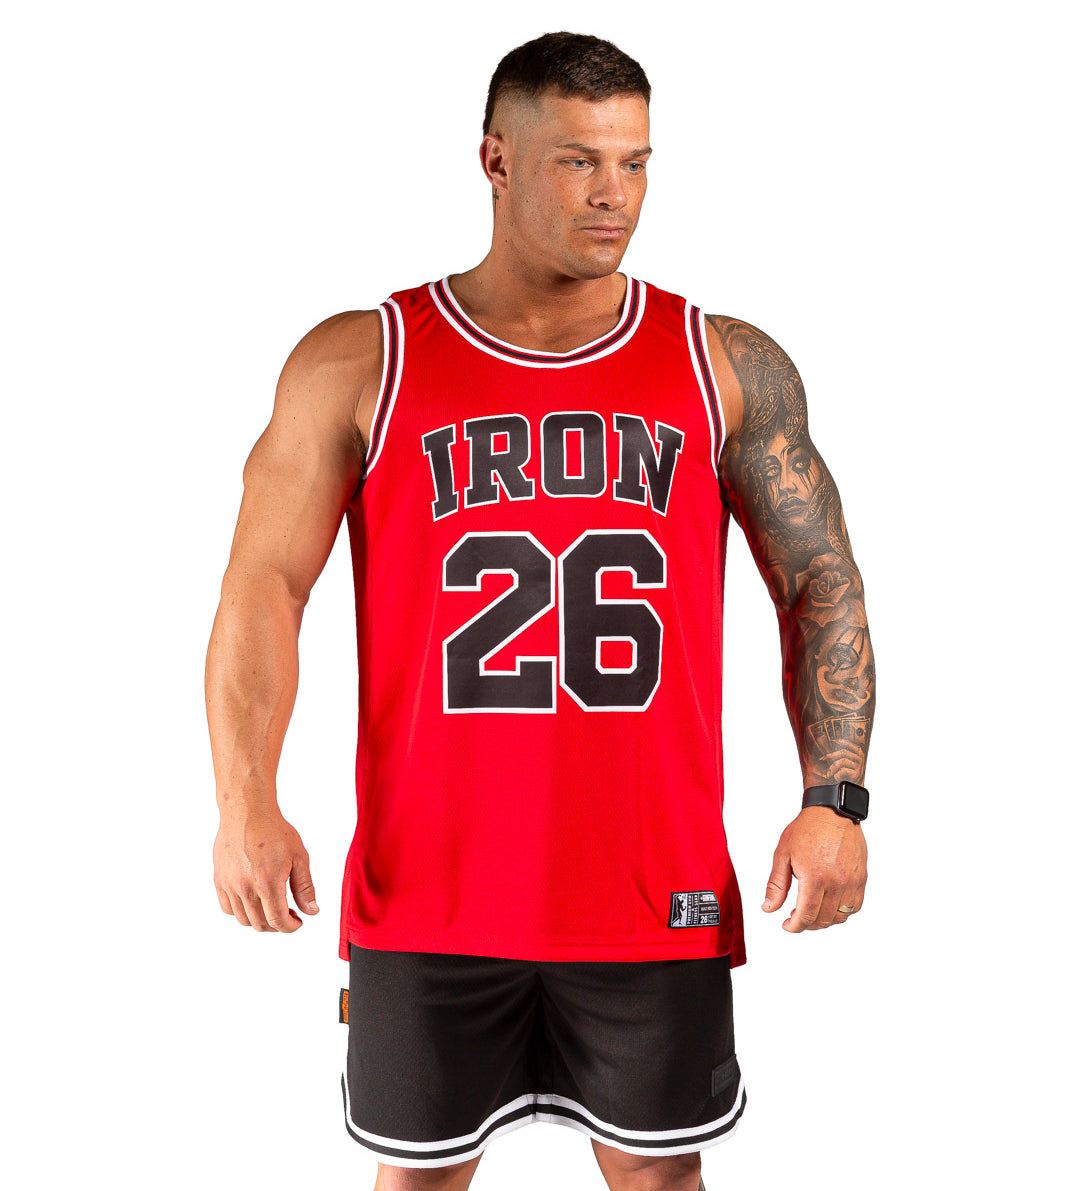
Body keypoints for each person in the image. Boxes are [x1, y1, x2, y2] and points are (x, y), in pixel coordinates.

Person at [205, 30, 875, 1191]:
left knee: (660, 1177)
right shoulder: (363, 358)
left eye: (635, 162)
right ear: (496, 160)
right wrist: (243, 805)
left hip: (652, 884)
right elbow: (264, 584)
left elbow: (820, 580)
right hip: (430, 887)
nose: (615, 194)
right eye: (579, 162)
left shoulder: (721, 361)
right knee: (417, 1177)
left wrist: (837, 800)